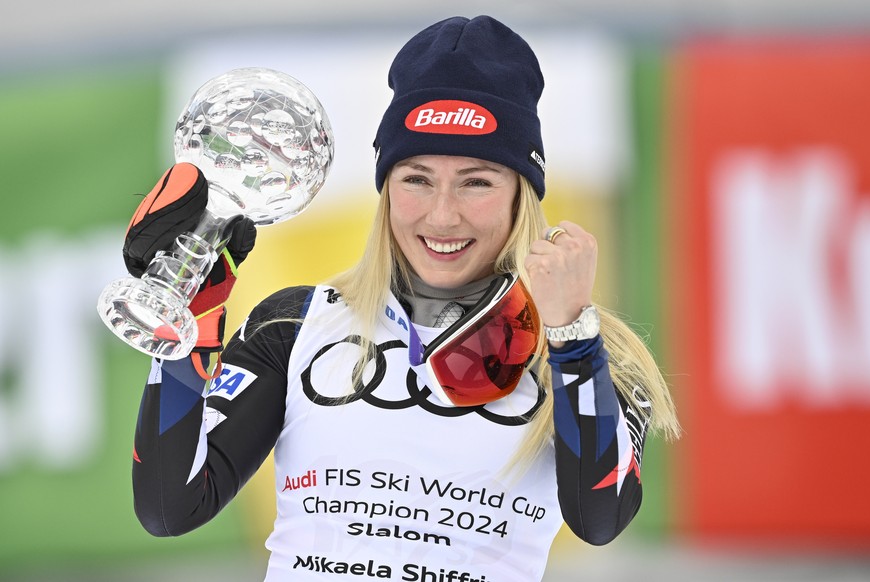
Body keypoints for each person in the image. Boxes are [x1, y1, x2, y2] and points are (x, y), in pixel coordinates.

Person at [126, 15, 680, 582]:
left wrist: (569, 333)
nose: (442, 215)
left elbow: (600, 518)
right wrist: (186, 323)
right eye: (416, 178)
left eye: (477, 181)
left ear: (523, 194)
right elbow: (169, 508)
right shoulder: (292, 326)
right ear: (386, 186)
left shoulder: (590, 354)